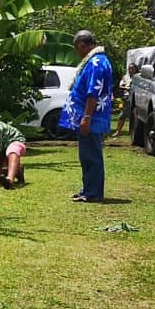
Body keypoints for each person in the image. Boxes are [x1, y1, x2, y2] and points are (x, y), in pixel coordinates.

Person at [60, 30, 112, 202]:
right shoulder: (94, 61)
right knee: (86, 155)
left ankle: (94, 193)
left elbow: (93, 93)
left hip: (92, 118)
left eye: (77, 49)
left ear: (82, 45)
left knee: (92, 155)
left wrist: (86, 117)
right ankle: (88, 189)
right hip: (88, 117)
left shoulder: (97, 63)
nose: (77, 53)